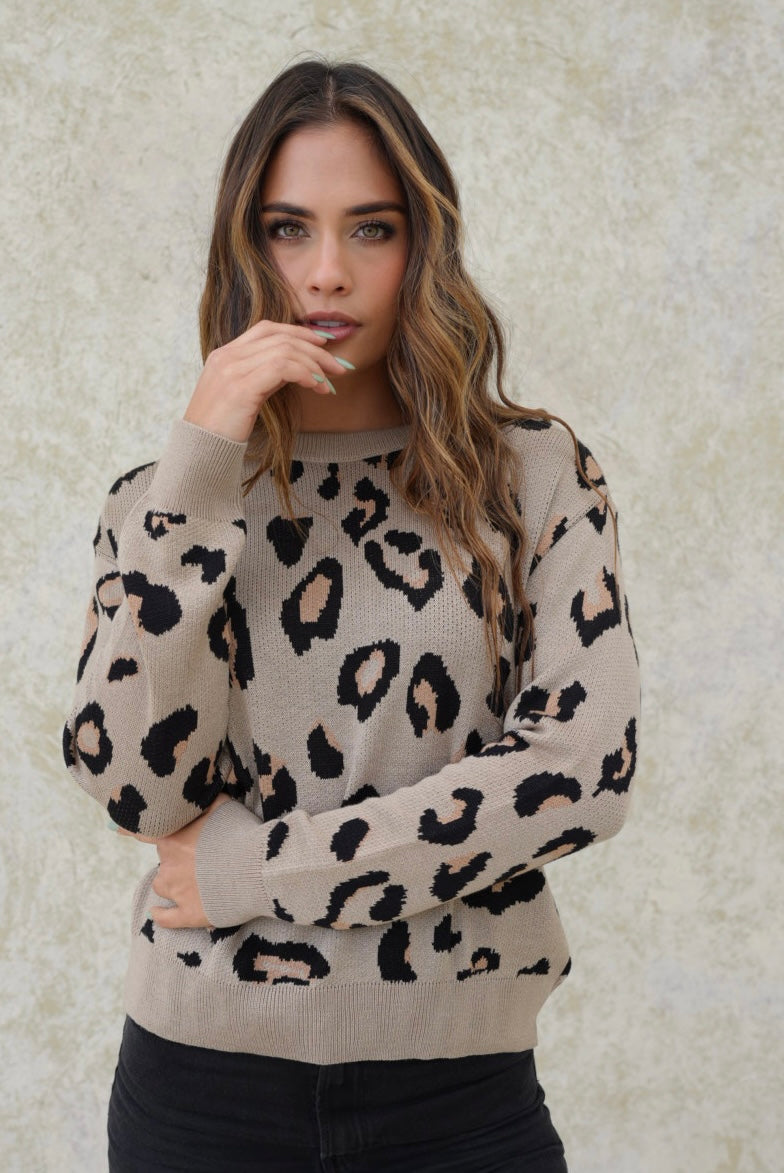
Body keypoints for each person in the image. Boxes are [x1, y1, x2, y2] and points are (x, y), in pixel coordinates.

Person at [63, 57, 641, 1173]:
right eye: (288, 229)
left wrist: (260, 872)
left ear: (425, 246)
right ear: (244, 248)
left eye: (372, 229)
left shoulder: (530, 474)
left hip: (461, 1097)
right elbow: (135, 787)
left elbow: (581, 771)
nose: (327, 273)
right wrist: (202, 458)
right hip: (199, 1095)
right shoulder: (163, 501)